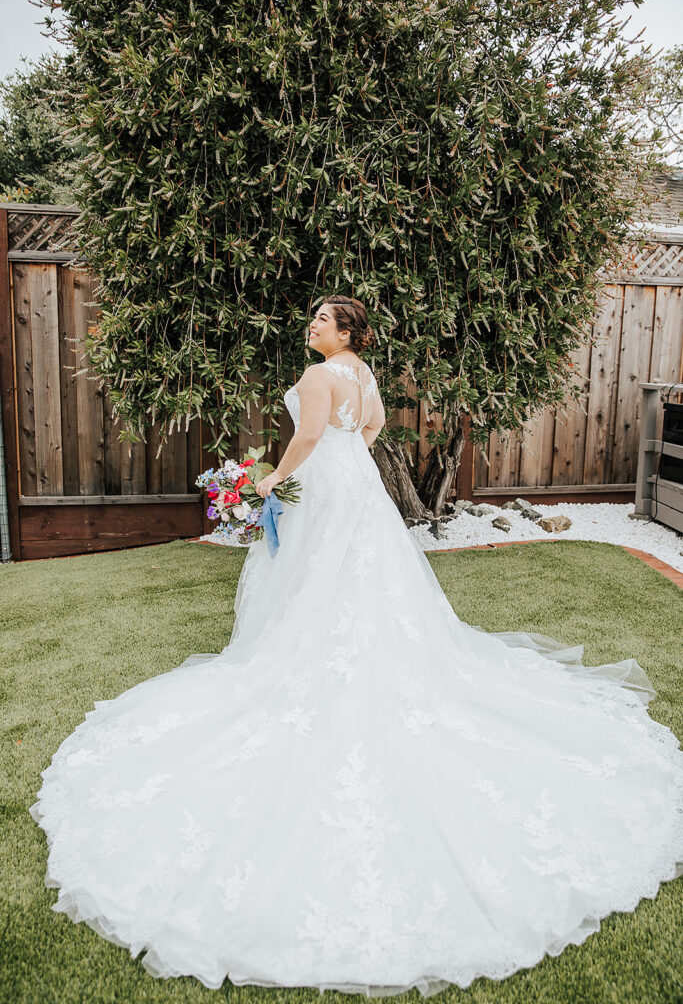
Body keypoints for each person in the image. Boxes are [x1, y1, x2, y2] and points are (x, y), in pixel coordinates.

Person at [29, 294, 683, 998]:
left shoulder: (318, 378)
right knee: (361, 582)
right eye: (309, 317)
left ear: (346, 332)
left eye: (322, 320)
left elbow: (307, 438)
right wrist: (338, 466)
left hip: (323, 482)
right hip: (357, 491)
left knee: (315, 581)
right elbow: (367, 428)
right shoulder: (363, 372)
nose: (310, 326)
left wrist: (270, 480)